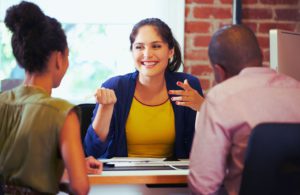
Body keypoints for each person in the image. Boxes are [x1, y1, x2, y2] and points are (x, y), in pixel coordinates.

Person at [0, 1, 102, 195]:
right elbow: (80, 187)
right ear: (58, 58)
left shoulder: (2, 101)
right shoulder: (61, 112)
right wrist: (72, 170)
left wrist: (59, 167)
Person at [188, 24, 300, 195]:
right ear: (261, 56)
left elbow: (203, 186)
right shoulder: (296, 88)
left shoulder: (220, 98)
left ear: (219, 72)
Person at [84, 18, 204, 159]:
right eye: (139, 47)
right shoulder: (115, 87)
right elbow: (92, 151)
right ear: (132, 52)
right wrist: (105, 108)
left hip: (173, 177)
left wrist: (203, 108)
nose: (147, 54)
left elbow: (201, 150)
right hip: (124, 177)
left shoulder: (187, 85)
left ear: (170, 51)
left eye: (156, 46)